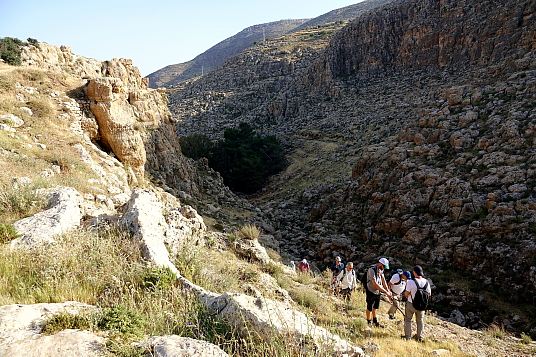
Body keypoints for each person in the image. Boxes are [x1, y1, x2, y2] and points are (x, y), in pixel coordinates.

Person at [403, 265, 432, 341]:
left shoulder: (410, 282)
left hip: (411, 303)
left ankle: (408, 336)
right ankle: (419, 337)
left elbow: (406, 293)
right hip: (422, 305)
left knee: (408, 319)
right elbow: (429, 294)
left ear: (414, 272)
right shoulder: (426, 282)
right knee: (420, 321)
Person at [366, 257, 392, 327]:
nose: (384, 268)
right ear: (380, 264)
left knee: (375, 307)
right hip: (371, 290)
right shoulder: (371, 270)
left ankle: (375, 321)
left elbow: (383, 280)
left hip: (378, 291)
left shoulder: (381, 270)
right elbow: (375, 284)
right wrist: (385, 292)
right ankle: (368, 321)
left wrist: (388, 290)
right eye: (383, 266)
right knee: (369, 307)